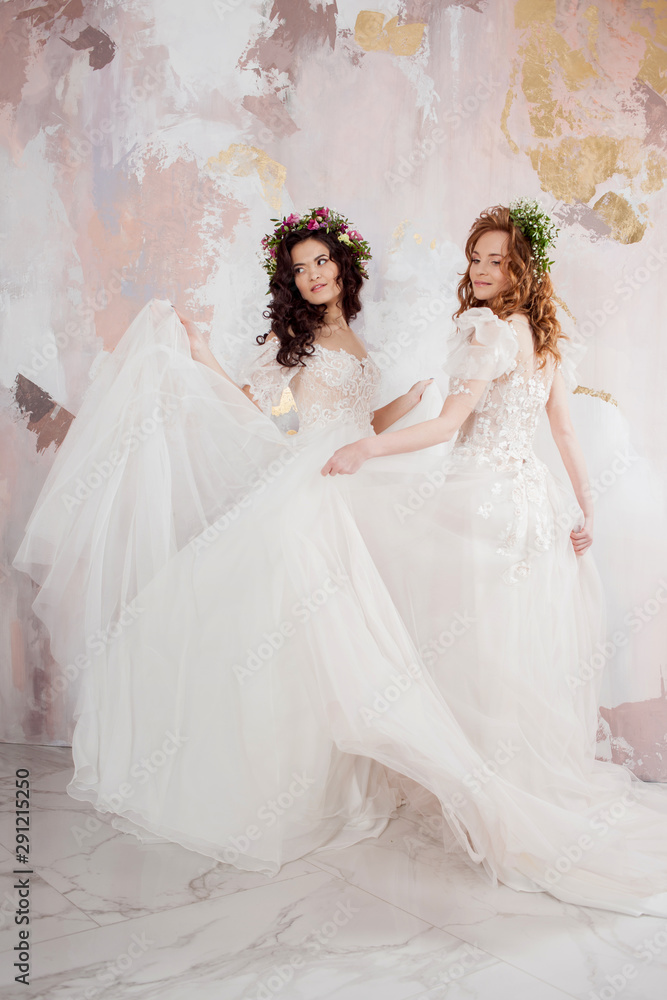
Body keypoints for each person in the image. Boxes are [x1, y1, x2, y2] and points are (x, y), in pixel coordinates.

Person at [13, 206, 667, 917]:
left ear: (343, 268)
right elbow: (281, 423)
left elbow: (354, 423)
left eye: (322, 262)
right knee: (305, 634)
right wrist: (204, 353)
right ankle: (271, 787)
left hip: (353, 480)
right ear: (290, 283)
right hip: (314, 481)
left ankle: (348, 774)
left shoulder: (357, 337)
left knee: (350, 633)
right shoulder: (287, 344)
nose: (314, 275)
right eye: (300, 268)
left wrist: (397, 408)